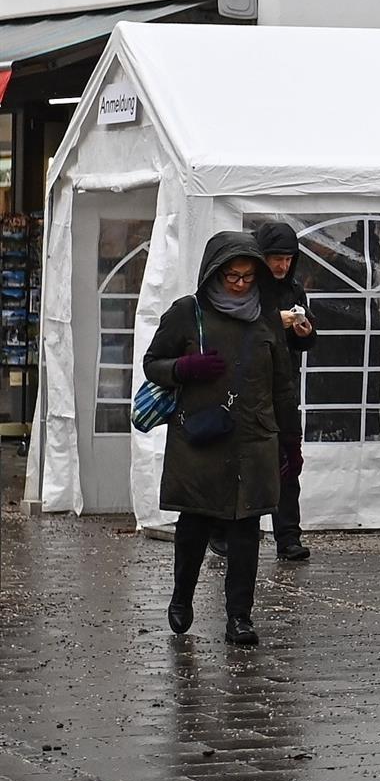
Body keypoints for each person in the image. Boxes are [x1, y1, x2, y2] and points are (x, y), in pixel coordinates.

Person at [143, 232, 300, 645]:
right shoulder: (187, 312)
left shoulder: (267, 316)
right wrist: (185, 367)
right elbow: (152, 364)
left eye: (248, 276)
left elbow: (283, 384)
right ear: (214, 272)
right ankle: (182, 597)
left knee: (246, 531)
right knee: (193, 524)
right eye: (232, 275)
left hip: (254, 439)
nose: (240, 283)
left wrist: (290, 441)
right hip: (200, 439)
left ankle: (239, 617)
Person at [212, 223, 317, 562]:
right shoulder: (246, 288)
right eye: (276, 258)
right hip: (246, 390)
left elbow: (305, 342)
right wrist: (276, 321)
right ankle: (225, 531)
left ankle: (288, 536)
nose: (281, 266)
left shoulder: (294, 289)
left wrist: (304, 329)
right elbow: (239, 330)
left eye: (288, 259)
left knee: (287, 463)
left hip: (283, 389)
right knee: (239, 463)